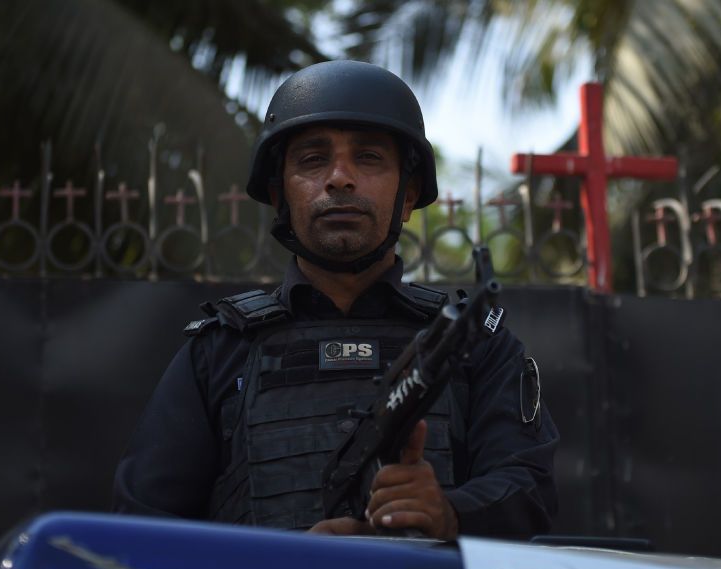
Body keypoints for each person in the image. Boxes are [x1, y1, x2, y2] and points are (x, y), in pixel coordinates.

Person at [112, 60, 558, 539]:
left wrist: (451, 514)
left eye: (368, 158)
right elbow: (142, 534)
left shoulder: (478, 346)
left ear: (408, 197)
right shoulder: (216, 353)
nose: (340, 178)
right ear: (279, 195)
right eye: (311, 159)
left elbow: (530, 494)